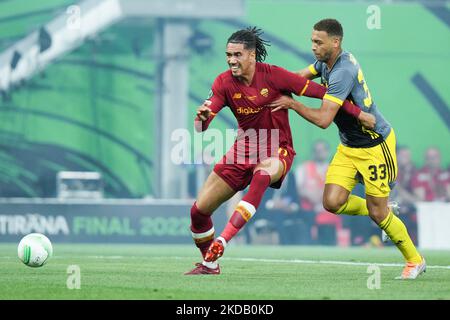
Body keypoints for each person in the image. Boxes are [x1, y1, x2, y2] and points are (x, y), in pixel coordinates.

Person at [185, 26, 374, 275]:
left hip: (278, 148)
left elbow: (324, 93)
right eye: (228, 55)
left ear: (252, 55)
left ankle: (224, 240)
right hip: (243, 149)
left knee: (262, 175)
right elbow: (201, 126)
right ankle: (210, 264)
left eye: (237, 55)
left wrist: (359, 113)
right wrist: (202, 119)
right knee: (198, 213)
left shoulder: (275, 76)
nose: (231, 60)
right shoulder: (223, 82)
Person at [267, 19, 425, 279]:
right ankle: (386, 208)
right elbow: (298, 78)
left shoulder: (342, 72)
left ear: (335, 42)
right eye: (312, 41)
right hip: (349, 146)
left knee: (377, 213)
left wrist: (292, 105)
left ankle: (414, 260)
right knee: (332, 202)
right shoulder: (325, 63)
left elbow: (323, 120)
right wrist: (271, 85)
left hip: (375, 144)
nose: (313, 47)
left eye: (318, 42)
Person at [295, 140, 331, 244]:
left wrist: (322, 203)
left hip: (327, 207)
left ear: (327, 152)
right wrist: (314, 200)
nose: (319, 153)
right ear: (313, 152)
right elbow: (299, 189)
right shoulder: (303, 168)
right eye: (317, 150)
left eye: (322, 150)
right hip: (308, 208)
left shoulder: (334, 169)